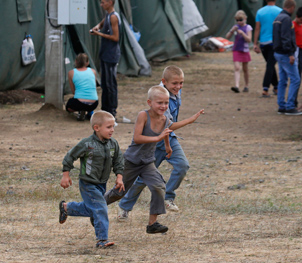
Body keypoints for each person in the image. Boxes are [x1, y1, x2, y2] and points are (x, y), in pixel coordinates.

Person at [104, 85, 204, 233]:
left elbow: (168, 130)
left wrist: (168, 146)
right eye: (160, 103)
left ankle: (152, 224)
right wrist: (157, 138)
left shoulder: (165, 118)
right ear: (149, 102)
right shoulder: (143, 116)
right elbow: (137, 138)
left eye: (166, 103)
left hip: (147, 162)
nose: (163, 106)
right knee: (119, 192)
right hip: (132, 161)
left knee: (158, 186)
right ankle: (95, 206)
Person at [117, 66, 190, 218]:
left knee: (183, 166)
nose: (178, 87)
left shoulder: (176, 91)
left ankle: (167, 196)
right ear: (164, 82)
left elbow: (169, 127)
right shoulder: (158, 97)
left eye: (181, 83)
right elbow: (168, 124)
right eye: (175, 84)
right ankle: (124, 207)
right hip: (155, 143)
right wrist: (191, 120)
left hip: (169, 138)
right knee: (142, 179)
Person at [59, 110, 124, 248]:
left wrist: (119, 177)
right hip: (88, 183)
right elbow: (70, 156)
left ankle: (67, 208)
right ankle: (102, 240)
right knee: (100, 208)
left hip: (102, 184)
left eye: (113, 126)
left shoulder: (113, 144)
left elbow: (118, 161)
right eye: (108, 127)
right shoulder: (87, 144)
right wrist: (66, 175)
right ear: (96, 128)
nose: (112, 130)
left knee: (94, 208)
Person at [90, 0, 121, 118]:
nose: (101, 4)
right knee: (104, 83)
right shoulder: (108, 15)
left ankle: (112, 110)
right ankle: (105, 109)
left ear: (110, 3)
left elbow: (115, 37)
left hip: (111, 55)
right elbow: (102, 23)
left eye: (103, 2)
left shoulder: (114, 17)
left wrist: (99, 34)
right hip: (105, 54)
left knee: (110, 84)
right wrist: (97, 27)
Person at [272, 0, 302, 116]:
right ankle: (290, 106)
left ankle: (281, 105)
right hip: (285, 54)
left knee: (283, 79)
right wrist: (290, 53)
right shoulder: (286, 19)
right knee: (295, 79)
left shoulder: (277, 18)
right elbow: (286, 37)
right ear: (291, 7)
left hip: (278, 53)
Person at [253, 0, 282, 97]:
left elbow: (257, 28)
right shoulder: (280, 11)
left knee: (270, 64)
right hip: (275, 42)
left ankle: (276, 87)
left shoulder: (260, 12)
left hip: (264, 43)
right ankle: (265, 88)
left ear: (265, 0)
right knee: (270, 65)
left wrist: (255, 43)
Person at [65, 53, 99, 121]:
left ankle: (81, 111)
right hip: (94, 103)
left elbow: (73, 91)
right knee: (88, 100)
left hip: (79, 103)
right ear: (87, 62)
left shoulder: (71, 73)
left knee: (68, 106)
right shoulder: (93, 71)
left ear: (76, 61)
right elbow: (94, 87)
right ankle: (90, 112)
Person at [225, 10, 252, 93]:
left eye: (241, 19)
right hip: (236, 50)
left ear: (245, 18)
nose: (239, 22)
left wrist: (243, 33)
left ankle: (246, 85)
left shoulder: (248, 27)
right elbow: (227, 37)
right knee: (237, 67)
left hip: (245, 50)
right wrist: (232, 30)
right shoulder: (235, 27)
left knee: (245, 69)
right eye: (237, 20)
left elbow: (249, 40)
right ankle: (236, 86)